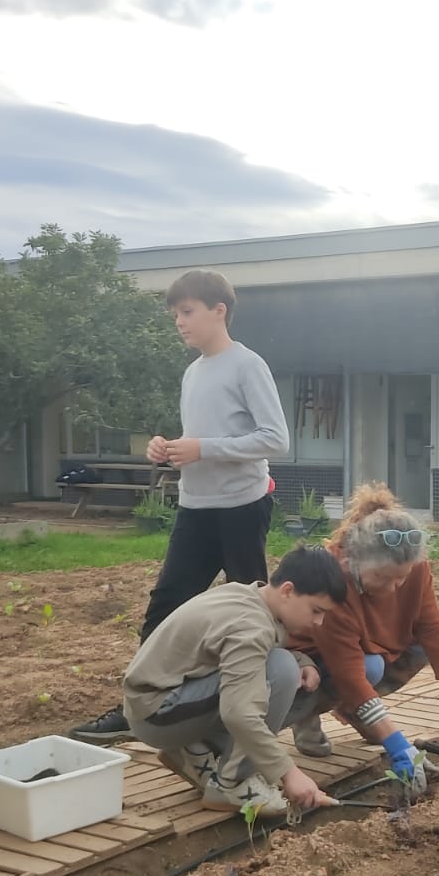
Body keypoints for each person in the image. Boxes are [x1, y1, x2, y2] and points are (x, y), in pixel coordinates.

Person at [75, 270, 290, 741]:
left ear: (219, 311)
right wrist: (167, 448)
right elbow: (201, 440)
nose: (179, 321)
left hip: (242, 507)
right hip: (196, 508)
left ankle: (252, 709)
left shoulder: (247, 365)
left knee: (252, 613)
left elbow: (276, 439)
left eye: (187, 311)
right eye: (175, 313)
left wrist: (202, 448)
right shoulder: (193, 372)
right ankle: (137, 708)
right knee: (167, 604)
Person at [282, 484, 439, 787]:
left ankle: (360, 710)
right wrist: (396, 742)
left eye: (401, 578)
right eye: (382, 578)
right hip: (314, 657)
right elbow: (348, 670)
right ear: (354, 561)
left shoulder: (414, 565)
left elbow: (430, 625)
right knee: (370, 669)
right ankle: (309, 715)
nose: (393, 588)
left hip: (369, 640)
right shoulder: (334, 579)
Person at [122, 546, 347, 814]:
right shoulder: (250, 625)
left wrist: (301, 660)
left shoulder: (248, 595)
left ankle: (192, 750)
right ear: (288, 591)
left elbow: (242, 653)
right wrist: (289, 773)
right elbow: (240, 714)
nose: (319, 622)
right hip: (156, 714)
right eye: (316, 610)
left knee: (282, 666)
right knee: (280, 672)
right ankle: (232, 784)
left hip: (156, 702)